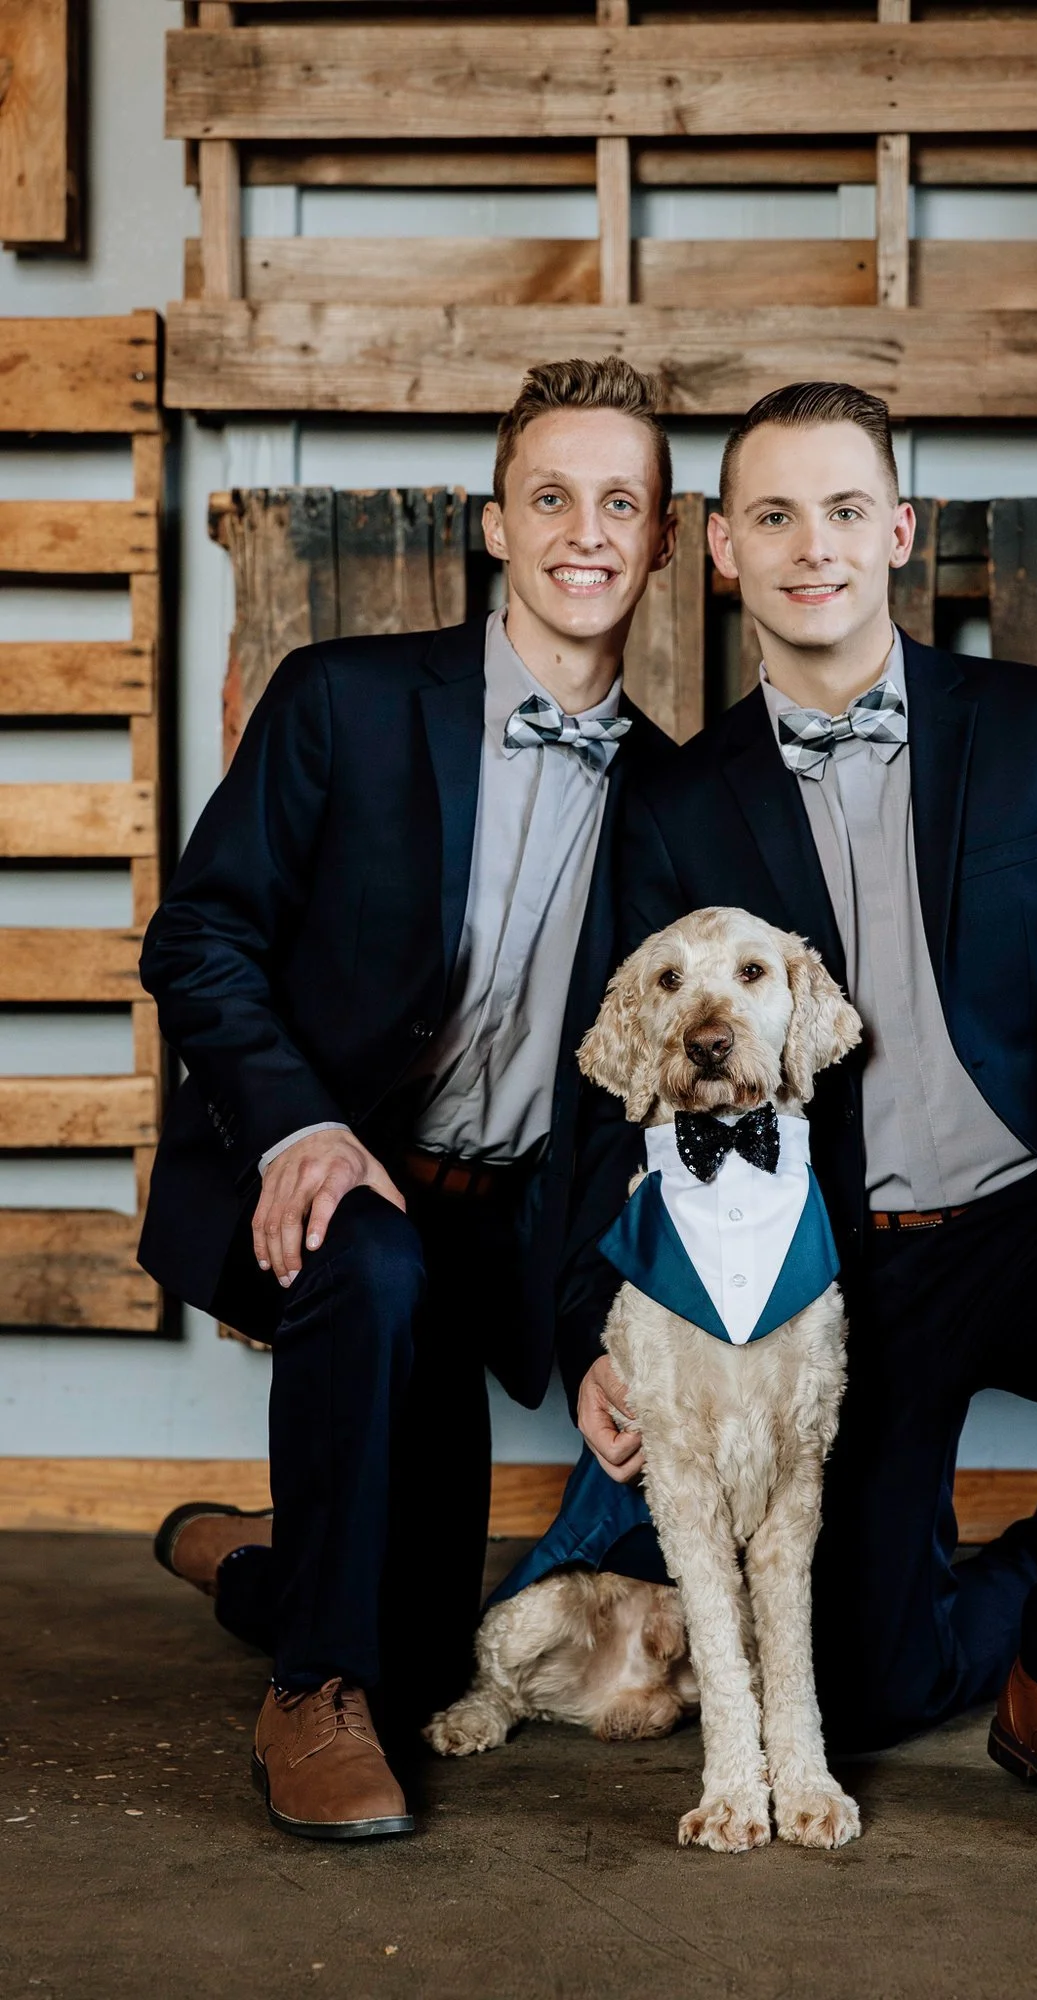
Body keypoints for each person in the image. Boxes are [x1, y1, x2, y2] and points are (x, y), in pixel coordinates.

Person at [559, 381, 1037, 1856]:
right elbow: (618, 1087)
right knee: (869, 1688)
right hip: (820, 1265)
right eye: (771, 516)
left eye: (840, 508)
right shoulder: (676, 803)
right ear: (725, 554)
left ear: (899, 532)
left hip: (1031, 1209)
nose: (810, 543)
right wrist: (593, 1333)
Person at [139, 356, 677, 1841]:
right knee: (366, 1269)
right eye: (551, 496)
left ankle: (265, 1559)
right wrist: (302, 1125)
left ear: (665, 537)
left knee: (434, 1645)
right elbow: (199, 936)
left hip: (502, 1237)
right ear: (494, 522)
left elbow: (623, 1121)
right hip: (338, 1186)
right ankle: (306, 1689)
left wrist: (594, 1336)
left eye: (618, 501)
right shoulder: (345, 701)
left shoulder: (678, 799)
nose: (584, 530)